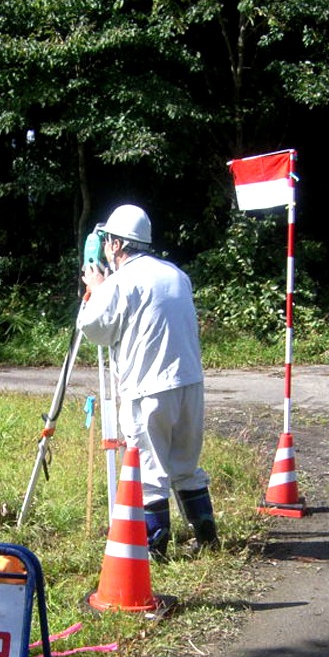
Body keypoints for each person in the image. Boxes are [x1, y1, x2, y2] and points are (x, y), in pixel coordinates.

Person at [77, 203, 218, 558]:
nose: (105, 248)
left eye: (108, 241)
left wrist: (97, 289)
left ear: (117, 244)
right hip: (189, 383)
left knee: (149, 471)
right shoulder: (176, 274)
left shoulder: (120, 282)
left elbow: (94, 329)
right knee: (185, 466)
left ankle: (155, 548)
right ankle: (207, 537)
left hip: (148, 388)